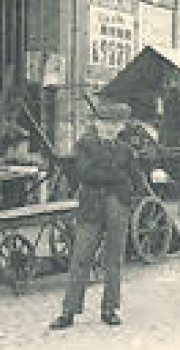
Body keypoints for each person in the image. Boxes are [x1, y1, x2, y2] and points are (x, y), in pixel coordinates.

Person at [51, 101, 144, 329]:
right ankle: (68, 312)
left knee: (114, 260)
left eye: (114, 124)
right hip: (90, 208)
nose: (109, 128)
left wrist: (127, 196)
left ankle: (110, 309)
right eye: (104, 123)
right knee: (81, 258)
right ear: (96, 124)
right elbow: (85, 174)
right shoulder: (85, 145)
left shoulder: (126, 150)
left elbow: (137, 179)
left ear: (121, 126)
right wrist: (118, 176)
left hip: (118, 209)